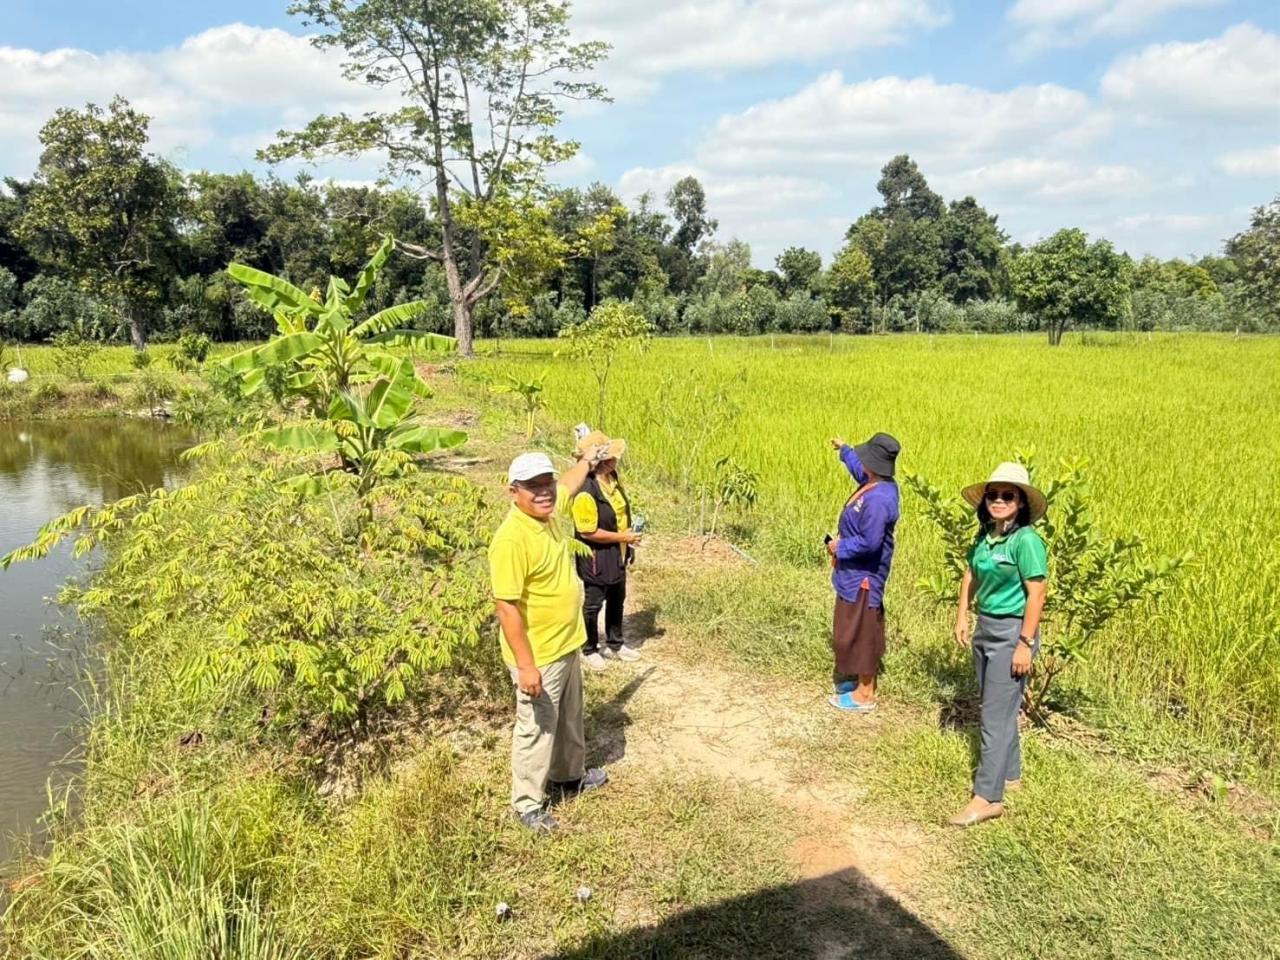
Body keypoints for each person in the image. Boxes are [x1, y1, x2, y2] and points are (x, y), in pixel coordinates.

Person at [489, 444, 613, 833]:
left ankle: (569, 776)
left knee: (569, 718)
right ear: (514, 492)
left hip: (566, 642)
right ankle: (526, 804)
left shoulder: (551, 510)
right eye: (532, 487)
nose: (543, 491)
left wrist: (587, 461)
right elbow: (506, 607)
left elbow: (570, 483)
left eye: (546, 483)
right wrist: (526, 665)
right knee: (538, 727)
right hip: (539, 654)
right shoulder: (511, 539)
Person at [950, 462, 1049, 827]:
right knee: (998, 708)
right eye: (993, 495)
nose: (999, 500)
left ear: (1021, 502)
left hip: (1012, 632)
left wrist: (1025, 643)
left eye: (1008, 495)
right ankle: (1010, 775)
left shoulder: (1026, 541)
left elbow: (1037, 594)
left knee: (992, 716)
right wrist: (963, 613)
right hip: (985, 628)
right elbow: (971, 572)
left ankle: (988, 797)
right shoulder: (986, 537)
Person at [825, 432, 901, 713]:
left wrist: (839, 547)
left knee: (864, 631)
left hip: (864, 578)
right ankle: (858, 681)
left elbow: (870, 543)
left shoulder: (880, 500)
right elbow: (859, 468)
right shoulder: (873, 481)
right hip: (852, 575)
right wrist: (844, 450)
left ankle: (865, 694)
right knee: (849, 628)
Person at [571, 430, 643, 672]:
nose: (616, 460)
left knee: (617, 598)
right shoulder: (585, 492)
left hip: (618, 552)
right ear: (600, 461)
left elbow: (620, 512)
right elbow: (587, 532)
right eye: (612, 457)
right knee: (593, 604)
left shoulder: (612, 478)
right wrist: (623, 536)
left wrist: (628, 535)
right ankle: (589, 648)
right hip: (596, 557)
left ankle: (615, 642)